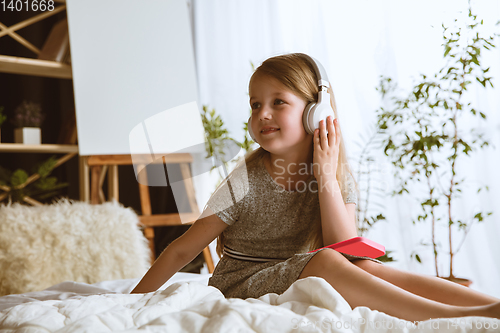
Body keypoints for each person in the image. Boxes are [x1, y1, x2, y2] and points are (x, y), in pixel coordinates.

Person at [131, 53, 500, 322]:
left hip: (299, 271)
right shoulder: (244, 179)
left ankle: (487, 307)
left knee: (364, 267)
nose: (263, 114)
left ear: (316, 113)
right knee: (326, 260)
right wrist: (132, 301)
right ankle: (453, 319)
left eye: (279, 102)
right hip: (240, 282)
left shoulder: (335, 174)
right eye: (256, 104)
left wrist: (325, 176)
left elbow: (348, 251)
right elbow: (182, 251)